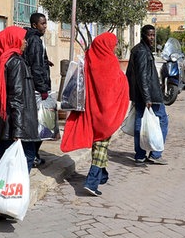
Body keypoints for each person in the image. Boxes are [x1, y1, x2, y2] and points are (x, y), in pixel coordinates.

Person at [60, 32, 129, 196]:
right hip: (108, 112)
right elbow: (117, 83)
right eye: (114, 44)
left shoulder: (88, 59)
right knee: (101, 146)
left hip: (92, 111)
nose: (115, 47)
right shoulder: (111, 61)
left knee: (98, 144)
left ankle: (102, 175)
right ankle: (91, 181)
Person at [0, 26, 40, 221]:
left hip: (2, 124)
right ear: (13, 40)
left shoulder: (1, 61)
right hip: (17, 124)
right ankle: (9, 204)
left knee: (0, 163)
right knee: (24, 158)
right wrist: (18, 131)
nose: (25, 42)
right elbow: (16, 98)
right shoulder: (16, 62)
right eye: (23, 39)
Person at [125, 24, 169, 166]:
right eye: (149, 35)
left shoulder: (140, 50)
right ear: (143, 35)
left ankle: (140, 155)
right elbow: (142, 76)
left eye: (153, 35)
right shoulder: (142, 51)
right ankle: (155, 154)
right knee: (161, 120)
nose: (152, 38)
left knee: (141, 122)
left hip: (142, 94)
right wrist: (147, 98)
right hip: (149, 95)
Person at [23, 13, 54, 167]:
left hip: (35, 86)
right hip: (37, 89)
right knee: (43, 124)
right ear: (35, 25)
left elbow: (34, 60)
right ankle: (32, 155)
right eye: (42, 24)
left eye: (46, 23)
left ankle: (33, 154)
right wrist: (42, 89)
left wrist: (46, 61)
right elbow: (35, 66)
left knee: (40, 124)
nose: (45, 26)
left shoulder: (33, 39)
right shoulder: (34, 40)